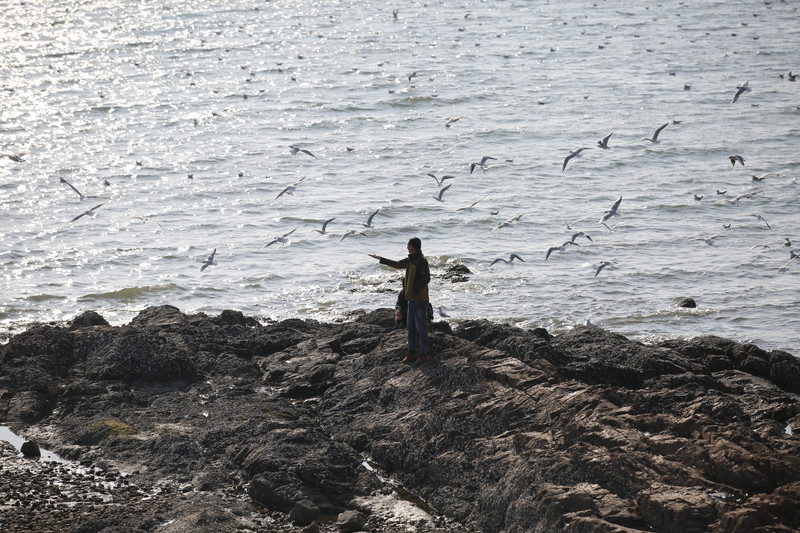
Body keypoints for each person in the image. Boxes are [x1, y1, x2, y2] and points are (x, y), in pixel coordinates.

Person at [369, 237, 431, 365]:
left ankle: (423, 354)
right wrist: (380, 259)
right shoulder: (410, 259)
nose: (407, 247)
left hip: (419, 300)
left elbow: (427, 278)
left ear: (412, 246)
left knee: (421, 328)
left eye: (408, 245)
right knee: (411, 328)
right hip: (411, 300)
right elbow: (396, 264)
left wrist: (414, 289)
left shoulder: (421, 260)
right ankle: (411, 352)